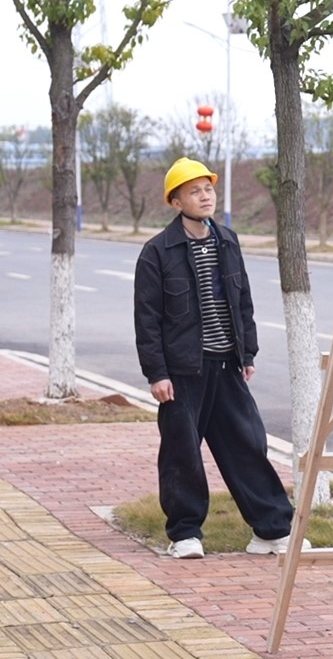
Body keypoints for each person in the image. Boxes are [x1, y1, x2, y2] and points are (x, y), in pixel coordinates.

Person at [134, 157, 297, 559]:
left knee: (248, 445)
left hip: (226, 365)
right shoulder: (157, 252)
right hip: (182, 372)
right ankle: (185, 534)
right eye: (194, 191)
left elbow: (242, 301)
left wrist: (247, 352)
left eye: (208, 188)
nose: (205, 196)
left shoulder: (227, 241)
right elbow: (147, 319)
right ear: (176, 202)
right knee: (182, 453)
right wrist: (157, 373)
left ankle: (272, 531)